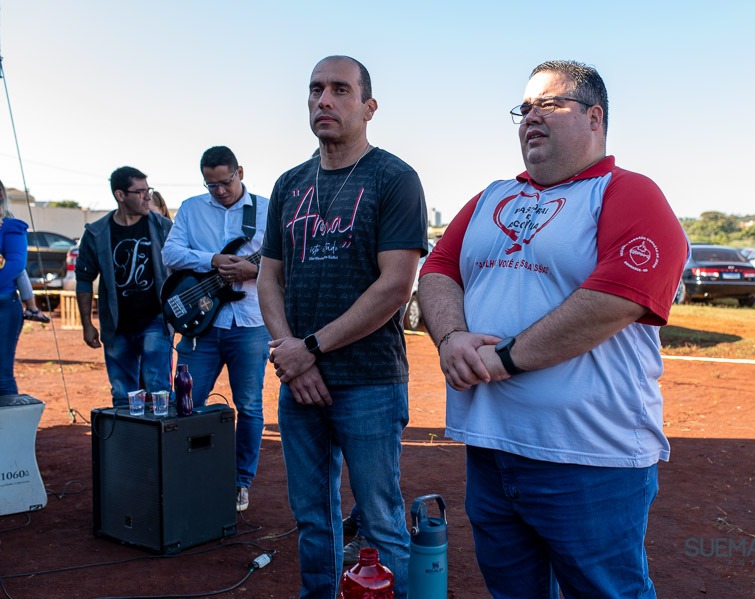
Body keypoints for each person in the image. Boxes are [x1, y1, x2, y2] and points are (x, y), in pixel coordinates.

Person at [418, 60, 689, 598]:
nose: (530, 118)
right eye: (524, 108)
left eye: (549, 104)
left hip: (588, 459)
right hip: (492, 448)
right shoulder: (492, 196)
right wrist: (449, 338)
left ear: (595, 117)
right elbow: (438, 270)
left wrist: (504, 358)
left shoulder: (626, 192)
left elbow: (617, 298)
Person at [258, 55, 428, 599]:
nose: (323, 100)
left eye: (339, 90)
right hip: (299, 379)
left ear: (368, 106)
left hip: (369, 380)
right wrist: (289, 352)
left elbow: (395, 287)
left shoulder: (395, 178)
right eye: (314, 90)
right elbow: (268, 279)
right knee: (313, 520)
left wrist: (308, 348)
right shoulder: (289, 184)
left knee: (379, 519)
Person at [161, 146, 269, 513]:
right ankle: (187, 475)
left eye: (225, 182)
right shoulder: (192, 208)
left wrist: (253, 271)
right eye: (211, 185)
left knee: (250, 406)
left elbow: (287, 263)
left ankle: (240, 482)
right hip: (200, 324)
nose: (220, 191)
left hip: (251, 323)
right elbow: (170, 253)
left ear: (240, 171)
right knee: (186, 403)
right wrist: (210, 260)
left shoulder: (268, 209)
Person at [74, 167, 173, 407]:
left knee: (158, 387)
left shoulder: (162, 227)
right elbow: (84, 278)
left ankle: (160, 442)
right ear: (120, 195)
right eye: (140, 192)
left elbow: (183, 269)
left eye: (147, 190)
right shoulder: (97, 233)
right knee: (122, 393)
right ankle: (127, 443)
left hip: (156, 319)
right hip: (116, 324)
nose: (147, 196)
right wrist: (87, 325)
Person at [0, 178, 29, 395]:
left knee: (2, 375)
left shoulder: (10, 227)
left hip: (4, 304)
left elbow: (17, 264)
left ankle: (10, 427)